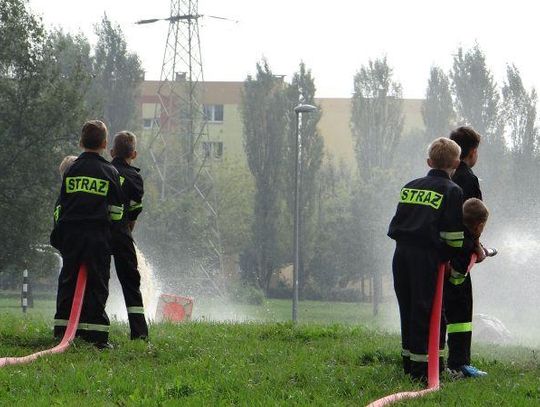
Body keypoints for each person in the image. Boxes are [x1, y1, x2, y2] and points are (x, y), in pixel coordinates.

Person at [388, 137, 464, 381]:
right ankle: (427, 370)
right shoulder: (452, 191)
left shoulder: (410, 186)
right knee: (429, 311)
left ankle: (409, 364)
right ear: (456, 163)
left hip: (401, 255)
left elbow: (401, 222)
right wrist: (448, 259)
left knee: (408, 307)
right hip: (427, 258)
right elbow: (453, 237)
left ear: (429, 161)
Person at [51, 120, 124, 349]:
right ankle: (97, 337)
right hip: (96, 237)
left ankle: (62, 330)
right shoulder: (110, 171)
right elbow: (117, 212)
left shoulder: (71, 169)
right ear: (104, 143)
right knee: (97, 282)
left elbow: (63, 203)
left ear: (80, 142)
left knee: (68, 280)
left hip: (71, 235)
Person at [445, 126, 487, 377]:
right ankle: (459, 363)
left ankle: (435, 360)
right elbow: (472, 218)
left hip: (440, 252)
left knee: (441, 307)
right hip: (460, 255)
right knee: (461, 308)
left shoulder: (445, 174)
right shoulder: (468, 179)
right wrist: (477, 247)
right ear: (471, 152)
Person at [109, 131, 148, 340]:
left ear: (111, 151)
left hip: (99, 234)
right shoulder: (135, 177)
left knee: (98, 280)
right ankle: (140, 333)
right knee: (131, 282)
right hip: (122, 234)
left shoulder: (104, 171)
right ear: (134, 154)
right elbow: (134, 212)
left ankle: (92, 326)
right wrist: (125, 231)